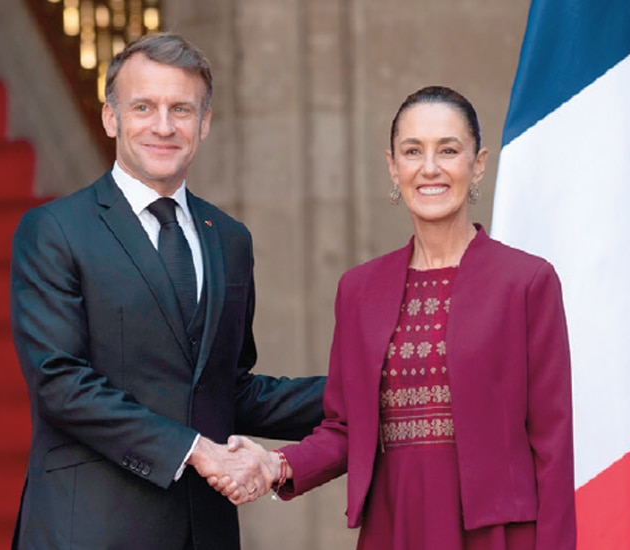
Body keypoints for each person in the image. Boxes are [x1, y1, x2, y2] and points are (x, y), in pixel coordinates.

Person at [218, 86, 577, 549]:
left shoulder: (528, 282)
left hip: (497, 535)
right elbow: (345, 428)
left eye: (448, 150)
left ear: (479, 163)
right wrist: (277, 465)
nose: (430, 167)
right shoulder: (358, 290)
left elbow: (552, 445)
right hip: (394, 527)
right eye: (413, 151)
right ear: (393, 166)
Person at [8, 32, 326, 550]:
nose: (163, 126)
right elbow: (60, 383)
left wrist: (366, 391)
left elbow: (227, 389)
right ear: (112, 117)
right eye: (143, 107)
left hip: (204, 532)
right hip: (87, 530)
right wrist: (196, 450)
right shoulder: (55, 230)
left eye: (181, 109)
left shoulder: (229, 239)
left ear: (204, 124)